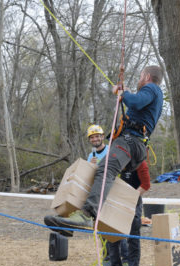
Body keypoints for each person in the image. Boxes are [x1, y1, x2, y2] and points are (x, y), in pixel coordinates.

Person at [44, 65, 163, 232]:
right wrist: (126, 93)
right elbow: (138, 103)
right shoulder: (155, 94)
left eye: (141, 75)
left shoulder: (151, 88)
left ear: (147, 76)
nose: (139, 79)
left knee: (105, 171)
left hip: (130, 142)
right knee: (103, 173)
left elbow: (136, 102)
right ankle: (71, 223)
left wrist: (124, 93)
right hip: (134, 144)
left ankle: (86, 214)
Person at [86, 124, 128, 266]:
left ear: (102, 137)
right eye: (92, 137)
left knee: (116, 226)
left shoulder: (111, 151)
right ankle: (107, 258)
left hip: (113, 192)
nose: (95, 139)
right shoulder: (91, 156)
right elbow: (89, 177)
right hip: (99, 196)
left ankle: (125, 257)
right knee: (101, 228)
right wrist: (90, 166)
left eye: (97, 136)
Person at [106, 160, 150, 266]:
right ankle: (115, 265)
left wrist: (130, 197)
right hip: (117, 201)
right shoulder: (117, 160)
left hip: (133, 202)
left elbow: (146, 185)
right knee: (112, 232)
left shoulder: (140, 162)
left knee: (133, 235)